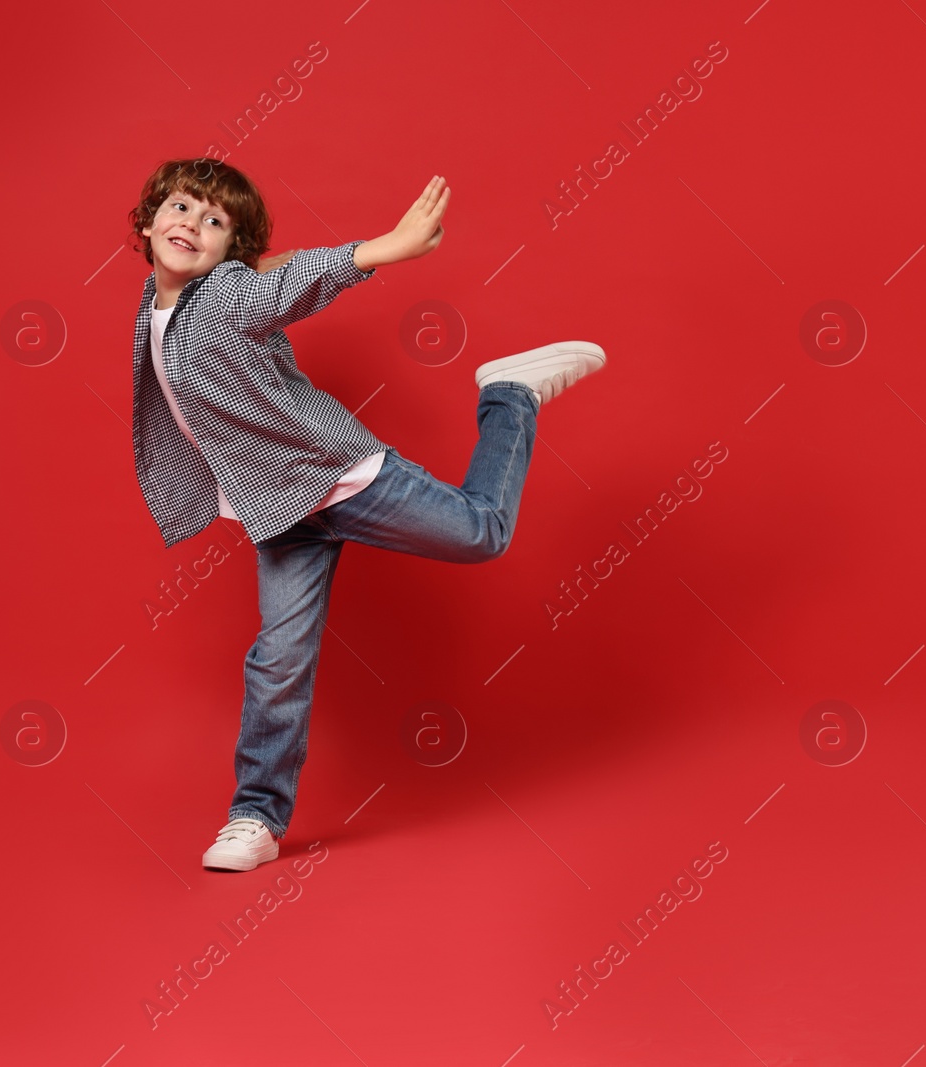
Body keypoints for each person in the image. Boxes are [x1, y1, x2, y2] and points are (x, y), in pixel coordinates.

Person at [127, 158, 606, 871]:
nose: (193, 225)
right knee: (278, 661)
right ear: (147, 223)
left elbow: (289, 282)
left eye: (214, 221)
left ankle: (508, 394)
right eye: (182, 210)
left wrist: (383, 248)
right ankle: (254, 817)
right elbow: (268, 271)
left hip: (340, 477)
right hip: (280, 508)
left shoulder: (225, 297)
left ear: (229, 251)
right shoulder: (158, 302)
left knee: (482, 533)